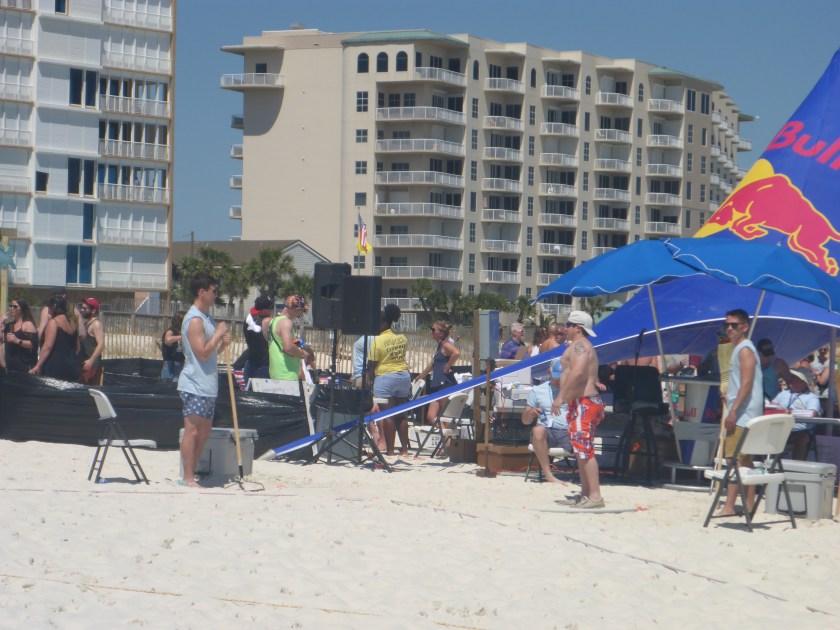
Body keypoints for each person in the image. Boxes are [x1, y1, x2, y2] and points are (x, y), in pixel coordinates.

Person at [177, 273, 230, 488]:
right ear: (202, 292)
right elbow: (201, 353)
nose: (216, 295)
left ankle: (192, 473)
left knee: (204, 431)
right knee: (192, 430)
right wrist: (218, 334)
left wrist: (222, 343)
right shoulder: (195, 320)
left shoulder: (206, 318)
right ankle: (187, 477)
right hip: (194, 383)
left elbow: (211, 353)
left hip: (207, 384)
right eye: (213, 291)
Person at [551, 311, 605, 509]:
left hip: (585, 402)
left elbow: (578, 372)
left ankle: (595, 496)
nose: (564, 328)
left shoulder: (580, 345)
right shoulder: (577, 345)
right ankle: (585, 494)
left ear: (578, 328)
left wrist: (560, 397)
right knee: (580, 450)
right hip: (581, 402)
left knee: (585, 450)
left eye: (568, 324)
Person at [717, 308, 764, 517]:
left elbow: (747, 382)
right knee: (744, 460)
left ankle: (729, 506)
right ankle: (749, 504)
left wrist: (733, 410)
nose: (729, 328)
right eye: (727, 325)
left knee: (733, 459)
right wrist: (730, 398)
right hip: (744, 411)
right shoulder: (740, 348)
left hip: (743, 414)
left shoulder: (745, 349)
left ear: (744, 327)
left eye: (734, 325)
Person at [368, 304, 411, 457]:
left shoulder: (377, 341)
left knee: (387, 415)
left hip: (385, 378)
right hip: (403, 377)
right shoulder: (402, 338)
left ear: (384, 323)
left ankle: (391, 451)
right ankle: (404, 450)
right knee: (401, 414)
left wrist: (369, 384)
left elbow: (371, 366)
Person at [521, 358, 572, 483]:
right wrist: (531, 413)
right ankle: (548, 475)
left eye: (562, 377)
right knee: (537, 430)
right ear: (549, 372)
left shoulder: (573, 390)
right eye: (557, 377)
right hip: (546, 432)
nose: (559, 380)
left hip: (567, 431)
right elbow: (525, 421)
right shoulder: (537, 390)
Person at [415, 321, 461, 427]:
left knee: (446, 417)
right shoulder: (440, 346)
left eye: (433, 330)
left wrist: (447, 366)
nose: (431, 332)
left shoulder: (445, 344)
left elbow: (456, 353)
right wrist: (421, 376)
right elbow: (432, 364)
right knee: (431, 416)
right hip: (437, 385)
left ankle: (447, 435)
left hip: (444, 384)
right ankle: (445, 434)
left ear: (441, 333)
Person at [771, 367, 821, 460]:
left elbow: (812, 413)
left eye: (795, 378)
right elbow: (772, 406)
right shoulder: (783, 394)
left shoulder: (811, 397)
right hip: (781, 428)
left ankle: (797, 463)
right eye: (792, 377)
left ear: (803, 382)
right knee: (766, 432)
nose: (791, 380)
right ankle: (769, 462)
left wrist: (790, 412)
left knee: (802, 438)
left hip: (800, 430)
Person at [30, 295, 81, 382]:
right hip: (72, 367)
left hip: (55, 367)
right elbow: (78, 348)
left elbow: (48, 347)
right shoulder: (72, 324)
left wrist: (38, 365)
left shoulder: (54, 322)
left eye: (49, 307)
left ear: (53, 307)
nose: (48, 310)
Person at [264, 295, 310, 384]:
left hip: (275, 373)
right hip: (287, 374)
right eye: (301, 310)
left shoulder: (273, 321)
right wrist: (302, 353)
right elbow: (288, 347)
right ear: (295, 309)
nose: (301, 313)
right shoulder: (286, 322)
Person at [1, 299, 39, 373]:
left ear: (22, 309)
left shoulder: (27, 324)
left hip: (24, 368)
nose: (12, 308)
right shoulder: (9, 325)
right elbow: (1, 339)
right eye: (11, 306)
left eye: (15, 306)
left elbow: (34, 345)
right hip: (10, 369)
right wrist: (0, 322)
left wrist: (17, 341)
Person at [243, 295, 273, 385]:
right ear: (264, 310)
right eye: (271, 308)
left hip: (250, 364)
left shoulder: (247, 321)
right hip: (264, 366)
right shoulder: (268, 322)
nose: (272, 310)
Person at [78, 297, 105, 385]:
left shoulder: (96, 324)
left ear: (93, 311)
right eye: (81, 308)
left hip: (92, 365)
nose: (82, 310)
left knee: (90, 390)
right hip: (85, 363)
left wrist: (91, 360)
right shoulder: (86, 323)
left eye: (85, 308)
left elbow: (101, 344)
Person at [160, 311, 186, 381]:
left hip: (181, 363)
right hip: (170, 363)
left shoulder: (184, 332)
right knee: (168, 383)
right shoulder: (171, 331)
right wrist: (181, 337)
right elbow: (167, 340)